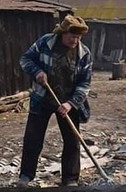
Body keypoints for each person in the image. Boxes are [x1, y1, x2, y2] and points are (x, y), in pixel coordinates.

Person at [17, 15, 93, 187]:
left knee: (72, 141)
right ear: (63, 33)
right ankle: (26, 176)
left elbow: (85, 83)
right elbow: (25, 60)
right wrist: (36, 72)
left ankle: (70, 179)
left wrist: (71, 103)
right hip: (42, 98)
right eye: (72, 36)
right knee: (33, 138)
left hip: (68, 101)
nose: (75, 40)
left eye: (78, 37)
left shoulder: (84, 54)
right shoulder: (46, 43)